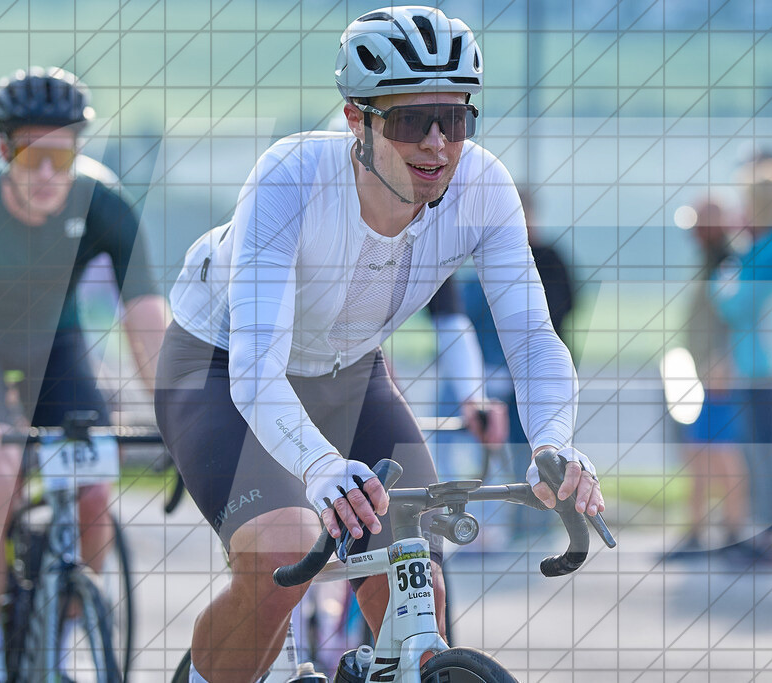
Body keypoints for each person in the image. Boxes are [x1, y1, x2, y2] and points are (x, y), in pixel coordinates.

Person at [152, 7, 604, 682]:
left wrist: (553, 441)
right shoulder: (291, 178)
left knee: (413, 569)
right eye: (408, 121)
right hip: (219, 366)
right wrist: (317, 467)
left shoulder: (483, 188)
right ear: (356, 121)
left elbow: (534, 338)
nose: (435, 145)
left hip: (348, 370)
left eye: (452, 120)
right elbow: (254, 370)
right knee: (283, 554)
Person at [0, 67, 168, 682]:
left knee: (95, 483)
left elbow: (149, 325)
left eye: (64, 152)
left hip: (54, 346)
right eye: (32, 153)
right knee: (1, 470)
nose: (50, 172)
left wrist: (179, 412)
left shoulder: (105, 204)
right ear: (4, 149)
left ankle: (56, 643)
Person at [458, 187, 577, 537]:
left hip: (533, 370)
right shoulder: (489, 261)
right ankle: (511, 522)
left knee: (537, 446)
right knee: (501, 447)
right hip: (498, 372)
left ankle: (538, 519)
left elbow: (560, 309)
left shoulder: (549, 258)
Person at [711, 158, 772, 568]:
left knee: (761, 450)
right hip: (762, 359)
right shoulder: (771, 245)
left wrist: (724, 276)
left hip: (764, 361)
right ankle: (761, 530)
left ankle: (767, 535)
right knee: (757, 449)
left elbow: (736, 306)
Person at [661, 198, 748, 562]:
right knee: (700, 452)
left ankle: (731, 531)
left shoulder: (728, 263)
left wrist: (723, 360)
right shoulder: (714, 261)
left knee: (720, 453)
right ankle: (699, 531)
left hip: (719, 373)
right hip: (705, 372)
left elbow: (735, 317)